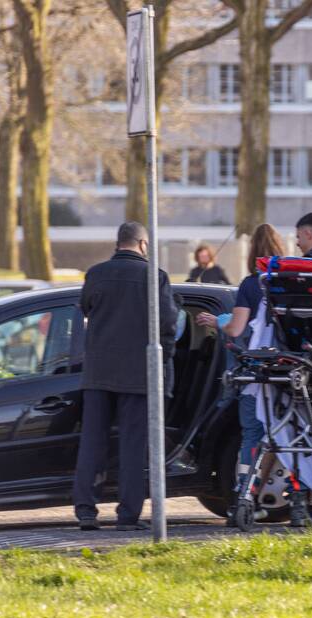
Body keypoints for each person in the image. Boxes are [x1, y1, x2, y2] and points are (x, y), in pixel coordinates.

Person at [72, 221, 179, 531]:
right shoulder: (154, 277)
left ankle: (86, 511)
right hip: (138, 375)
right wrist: (163, 363)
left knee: (92, 442)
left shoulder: (95, 274)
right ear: (143, 244)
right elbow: (168, 325)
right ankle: (127, 516)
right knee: (133, 446)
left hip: (98, 373)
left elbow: (85, 309)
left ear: (118, 242)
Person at [196, 223, 284, 522]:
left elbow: (236, 328)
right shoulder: (291, 282)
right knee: (288, 435)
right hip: (289, 372)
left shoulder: (251, 285)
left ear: (253, 252)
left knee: (252, 436)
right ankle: (302, 498)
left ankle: (244, 494)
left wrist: (217, 321)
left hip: (256, 374)